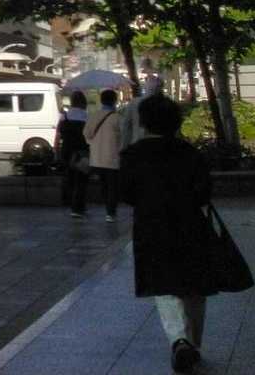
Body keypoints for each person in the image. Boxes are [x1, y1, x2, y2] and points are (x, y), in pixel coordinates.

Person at [119, 95, 224, 371]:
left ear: (144, 122)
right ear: (176, 121)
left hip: (151, 226)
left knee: (163, 286)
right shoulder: (190, 153)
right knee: (195, 286)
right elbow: (204, 192)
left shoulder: (132, 155)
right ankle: (193, 343)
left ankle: (179, 340)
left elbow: (126, 194)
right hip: (191, 225)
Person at [85, 88, 127, 222]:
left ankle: (108, 209)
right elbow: (124, 137)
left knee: (104, 185)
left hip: (97, 158)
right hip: (113, 158)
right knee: (112, 186)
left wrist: (94, 144)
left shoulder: (93, 116)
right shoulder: (118, 118)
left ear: (101, 101)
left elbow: (86, 134)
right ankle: (111, 212)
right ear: (115, 101)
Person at [58, 91, 92, 218]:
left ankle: (73, 206)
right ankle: (79, 208)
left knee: (71, 179)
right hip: (82, 152)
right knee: (82, 180)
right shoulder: (87, 116)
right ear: (83, 102)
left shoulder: (64, 116)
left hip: (67, 151)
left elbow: (60, 133)